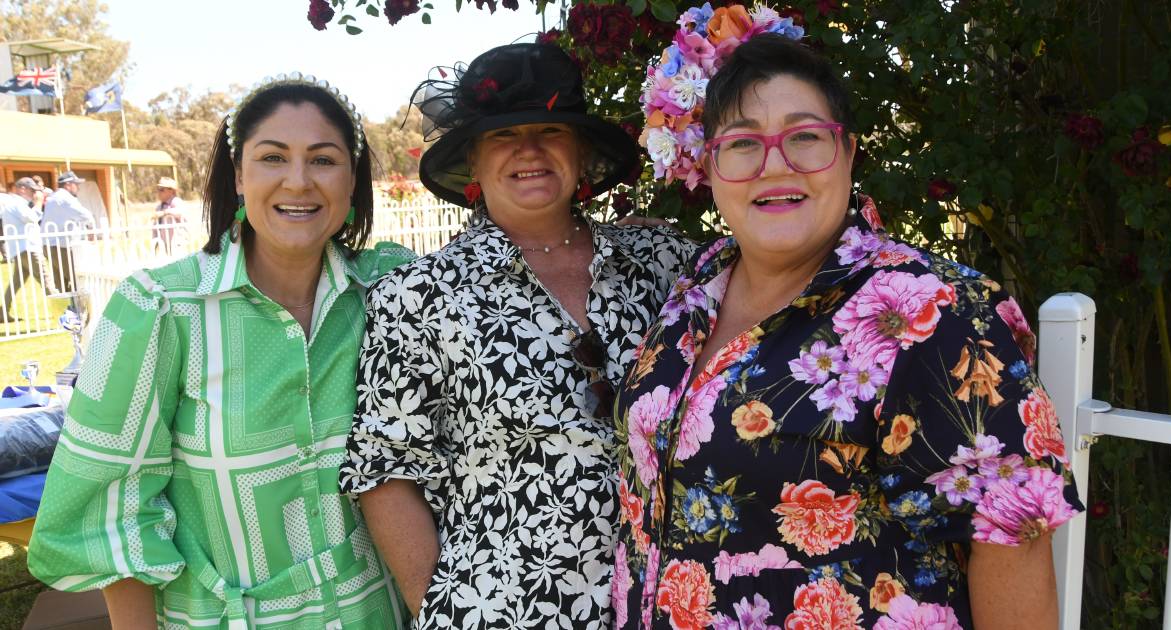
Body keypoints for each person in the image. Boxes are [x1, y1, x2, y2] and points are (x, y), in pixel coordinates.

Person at [611, 33, 1082, 629]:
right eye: (743, 143)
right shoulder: (694, 292)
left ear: (850, 152)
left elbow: (1011, 536)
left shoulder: (930, 310)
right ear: (710, 166)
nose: (774, 164)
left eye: (805, 137)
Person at [28, 74, 415, 629]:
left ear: (353, 181)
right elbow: (112, 515)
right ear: (238, 175)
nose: (299, 182)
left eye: (324, 160)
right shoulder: (161, 310)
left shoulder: (390, 292)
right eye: (273, 157)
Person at [338, 43, 696, 629]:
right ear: (473, 163)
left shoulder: (665, 264)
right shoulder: (417, 296)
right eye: (503, 136)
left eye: (551, 130)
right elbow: (386, 472)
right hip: (503, 611)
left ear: (580, 154)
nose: (529, 150)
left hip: (669, 603)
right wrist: (445, 611)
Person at [40, 171, 96, 294]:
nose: (78, 187)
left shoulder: (53, 198)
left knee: (61, 282)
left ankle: (68, 309)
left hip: (48, 245)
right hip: (62, 246)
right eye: (76, 184)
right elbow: (86, 215)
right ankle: (81, 309)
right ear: (68, 184)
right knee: (77, 279)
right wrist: (91, 231)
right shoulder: (66, 198)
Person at [0, 176, 47, 321]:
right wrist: (38, 204)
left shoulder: (15, 203)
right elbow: (32, 218)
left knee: (16, 283)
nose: (35, 194)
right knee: (47, 280)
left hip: (21, 249)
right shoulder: (18, 204)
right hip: (27, 249)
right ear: (22, 189)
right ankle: (66, 313)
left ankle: (2, 313)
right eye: (32, 190)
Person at [153, 176, 186, 254]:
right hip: (164, 246)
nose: (159, 192)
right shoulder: (159, 207)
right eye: (158, 189)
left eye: (162, 190)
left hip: (177, 244)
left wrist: (164, 213)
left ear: (171, 191)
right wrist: (155, 242)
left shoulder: (176, 202)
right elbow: (155, 227)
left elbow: (180, 212)